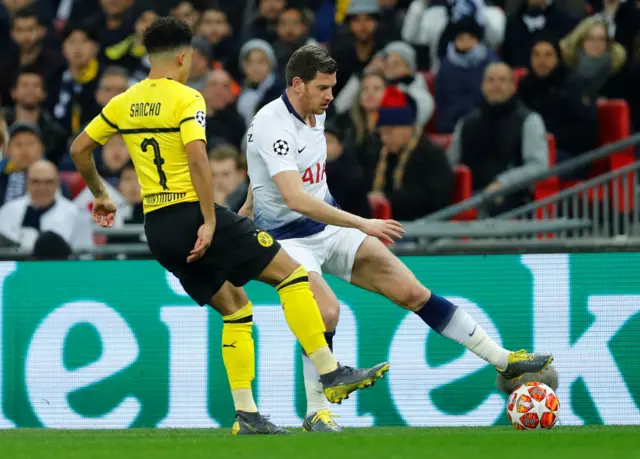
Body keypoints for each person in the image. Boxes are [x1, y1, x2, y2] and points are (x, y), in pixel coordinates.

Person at [69, 17, 388, 436]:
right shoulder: (187, 98)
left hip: (157, 228)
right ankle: (330, 371)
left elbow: (79, 148)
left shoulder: (124, 101)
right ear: (183, 57)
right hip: (191, 213)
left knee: (236, 308)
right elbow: (197, 157)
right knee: (290, 273)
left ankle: (247, 415)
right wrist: (208, 219)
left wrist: (102, 194)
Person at [243, 44, 554, 433]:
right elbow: (292, 197)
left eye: (334, 87)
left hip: (326, 224)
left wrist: (247, 206)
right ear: (297, 84)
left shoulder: (315, 112)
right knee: (326, 311)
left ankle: (504, 360)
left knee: (412, 292)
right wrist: (362, 223)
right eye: (324, 88)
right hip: (285, 237)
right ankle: (316, 411)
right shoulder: (272, 124)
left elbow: (269, 178)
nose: (331, 96)